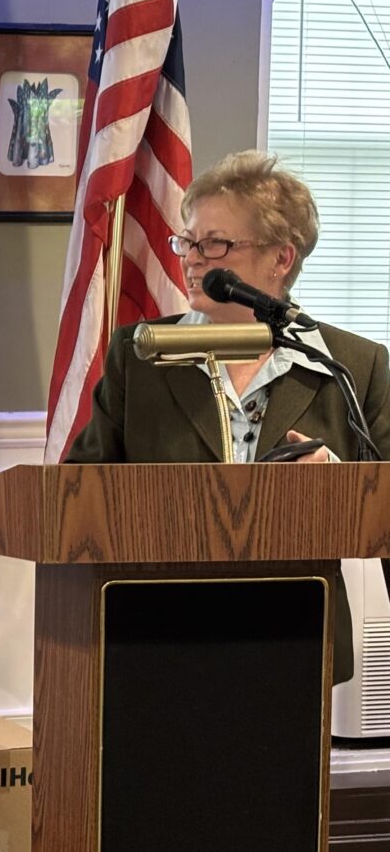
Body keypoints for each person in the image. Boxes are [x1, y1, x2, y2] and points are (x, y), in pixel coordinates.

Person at [66, 149, 390, 678]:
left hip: (296, 639)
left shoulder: (351, 365)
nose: (191, 258)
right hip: (153, 636)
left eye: (214, 243)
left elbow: (385, 506)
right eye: (187, 241)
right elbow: (78, 493)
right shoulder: (142, 354)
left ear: (281, 258)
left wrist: (337, 489)